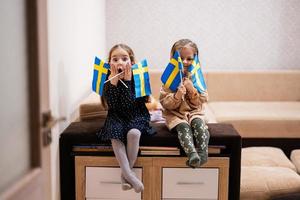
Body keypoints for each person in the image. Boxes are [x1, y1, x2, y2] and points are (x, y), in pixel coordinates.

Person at [99, 44, 153, 193]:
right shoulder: (108, 80)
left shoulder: (137, 77)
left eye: (124, 58)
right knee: (115, 135)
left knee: (134, 133)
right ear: (110, 63)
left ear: (132, 62)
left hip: (136, 114)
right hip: (116, 115)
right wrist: (113, 84)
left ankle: (125, 176)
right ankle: (130, 174)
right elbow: (113, 106)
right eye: (115, 59)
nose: (120, 62)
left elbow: (130, 105)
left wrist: (128, 81)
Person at [159, 39, 210, 168]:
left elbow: (203, 98)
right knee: (183, 127)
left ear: (195, 59)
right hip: (175, 115)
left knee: (198, 124)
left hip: (194, 112)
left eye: (189, 59)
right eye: (181, 58)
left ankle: (203, 153)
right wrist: (177, 95)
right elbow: (165, 103)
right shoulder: (170, 78)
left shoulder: (196, 76)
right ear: (174, 59)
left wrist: (192, 89)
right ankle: (192, 154)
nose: (185, 62)